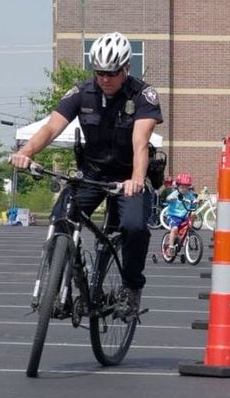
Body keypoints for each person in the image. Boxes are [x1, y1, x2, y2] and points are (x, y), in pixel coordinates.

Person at [10, 32, 162, 321]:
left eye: (112, 72)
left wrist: (137, 179)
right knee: (61, 221)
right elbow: (51, 128)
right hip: (92, 173)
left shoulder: (143, 95)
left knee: (133, 228)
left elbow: (141, 142)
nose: (105, 78)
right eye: (99, 72)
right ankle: (59, 285)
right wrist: (27, 152)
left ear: (126, 68)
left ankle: (131, 288)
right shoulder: (81, 92)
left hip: (127, 177)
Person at [163, 173, 197, 257]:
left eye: (186, 187)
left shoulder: (189, 195)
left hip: (184, 216)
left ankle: (189, 228)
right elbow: (167, 199)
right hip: (173, 216)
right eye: (182, 187)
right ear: (177, 187)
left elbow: (194, 202)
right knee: (174, 229)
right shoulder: (175, 193)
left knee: (194, 214)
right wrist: (170, 198)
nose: (184, 189)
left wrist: (196, 201)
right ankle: (171, 247)